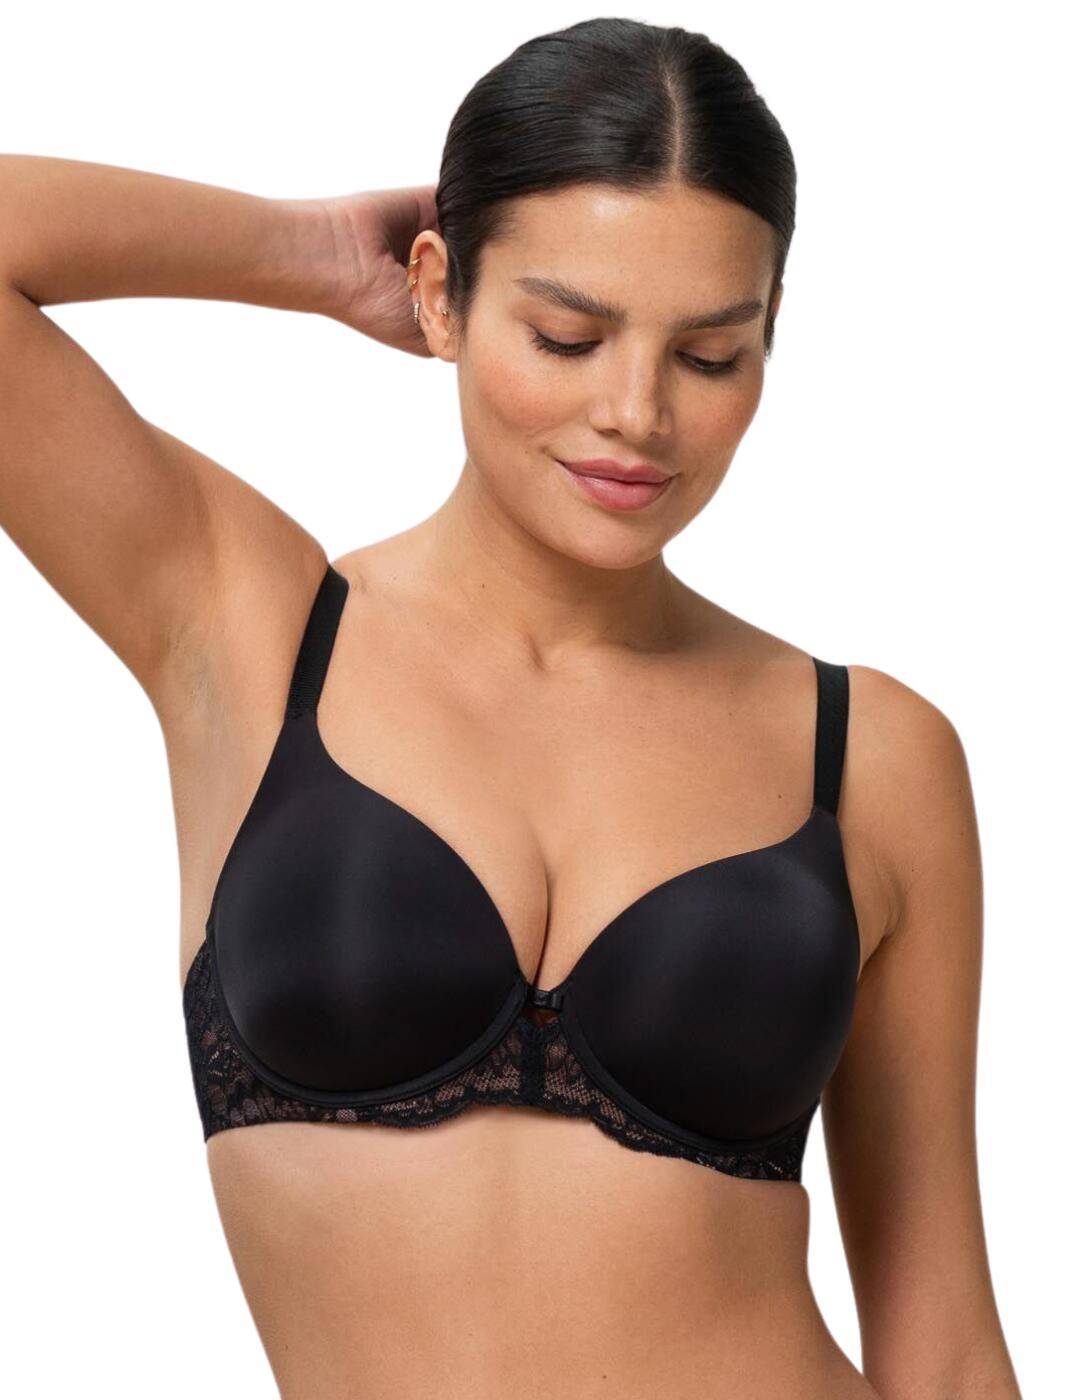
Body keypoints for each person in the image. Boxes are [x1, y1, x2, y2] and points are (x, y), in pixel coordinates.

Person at [0, 17, 1021, 1400]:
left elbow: (943, 1348)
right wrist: (309, 254)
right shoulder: (252, 632)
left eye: (710, 356)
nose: (636, 413)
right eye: (566, 335)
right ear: (440, 295)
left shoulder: (873, 755)